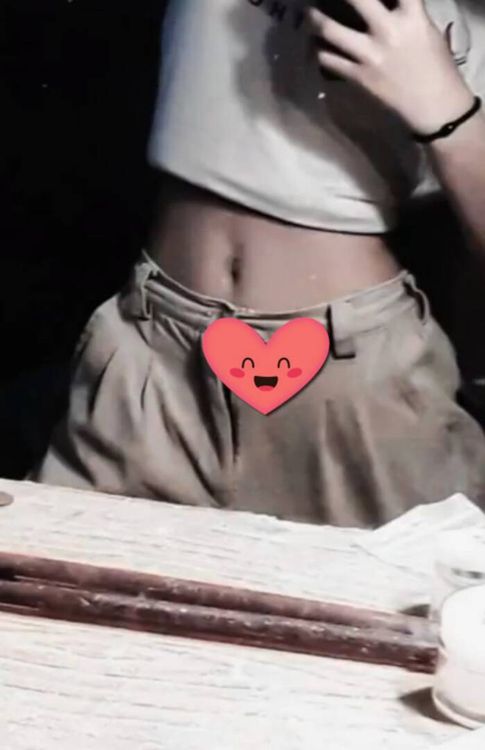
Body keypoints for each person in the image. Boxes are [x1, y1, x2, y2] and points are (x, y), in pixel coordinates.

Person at [32, 0, 485, 527]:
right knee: (43, 567)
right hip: (153, 345)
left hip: (353, 387)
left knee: (408, 579)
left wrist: (448, 113)